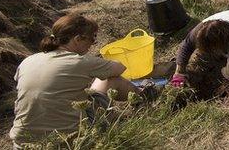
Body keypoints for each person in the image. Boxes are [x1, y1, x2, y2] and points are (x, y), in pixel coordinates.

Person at [10, 14, 139, 147]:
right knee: (112, 80)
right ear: (77, 39)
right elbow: (120, 68)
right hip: (69, 141)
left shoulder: (27, 61)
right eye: (92, 38)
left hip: (23, 144)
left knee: (87, 95)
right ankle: (144, 99)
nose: (92, 44)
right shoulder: (80, 62)